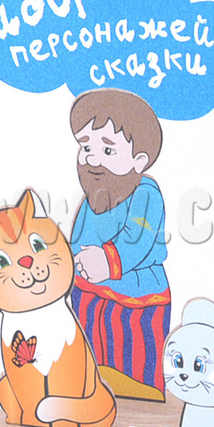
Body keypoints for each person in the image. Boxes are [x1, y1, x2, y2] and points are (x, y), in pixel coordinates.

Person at [69, 89, 170, 401]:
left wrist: (108, 261)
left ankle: (141, 395)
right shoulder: (93, 197)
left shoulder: (146, 193)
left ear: (139, 161)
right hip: (89, 293)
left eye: (107, 150)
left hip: (138, 297)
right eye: (86, 147)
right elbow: (78, 238)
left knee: (135, 355)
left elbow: (137, 238)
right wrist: (71, 261)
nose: (92, 158)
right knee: (92, 350)